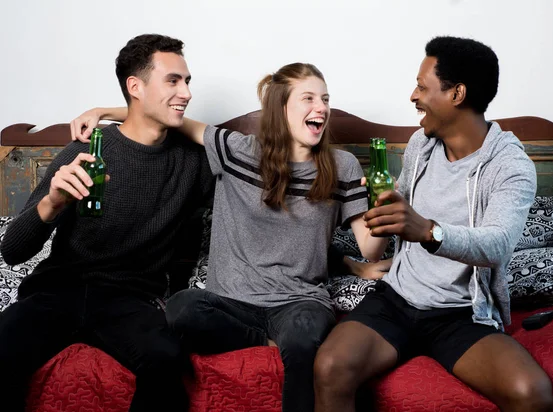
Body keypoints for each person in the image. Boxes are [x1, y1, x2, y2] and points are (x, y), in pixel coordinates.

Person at [71, 63, 389, 412]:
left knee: (303, 337)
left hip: (299, 301)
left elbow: (370, 250)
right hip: (231, 302)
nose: (322, 108)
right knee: (181, 308)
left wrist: (382, 214)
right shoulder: (237, 151)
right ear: (281, 108)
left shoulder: (342, 167)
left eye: (325, 99)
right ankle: (268, 342)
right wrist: (104, 111)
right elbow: (168, 116)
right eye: (309, 98)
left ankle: (284, 342)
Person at [313, 36, 553, 412]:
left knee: (531, 392)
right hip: (397, 300)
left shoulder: (510, 165)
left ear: (457, 93)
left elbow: (498, 244)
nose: (413, 95)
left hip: (462, 315)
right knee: (330, 366)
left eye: (423, 87)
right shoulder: (420, 146)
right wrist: (387, 207)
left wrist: (427, 230)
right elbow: (402, 212)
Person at [0, 33, 214, 411]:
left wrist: (115, 108)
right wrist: (51, 203)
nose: (187, 92)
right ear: (135, 86)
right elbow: (13, 251)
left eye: (187, 81)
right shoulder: (86, 149)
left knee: (167, 361)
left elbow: (255, 162)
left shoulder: (193, 162)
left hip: (130, 301)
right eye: (173, 80)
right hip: (57, 291)